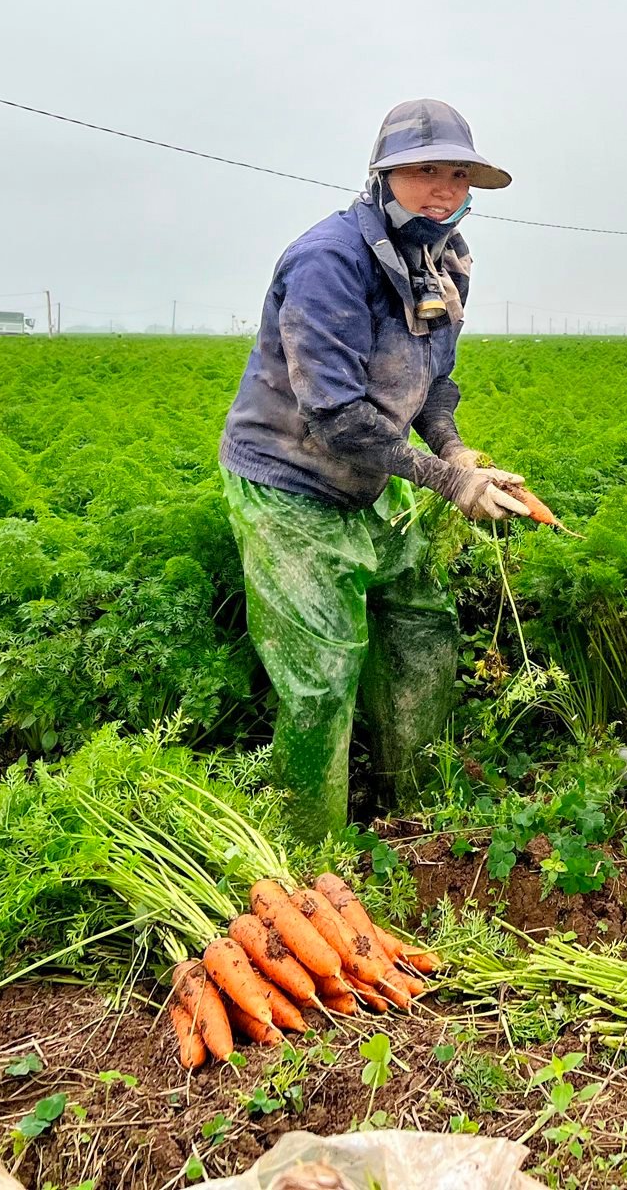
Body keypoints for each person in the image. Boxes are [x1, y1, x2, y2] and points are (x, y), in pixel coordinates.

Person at [218, 99, 528, 842]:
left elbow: (434, 383)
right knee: (321, 674)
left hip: (369, 478)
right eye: (426, 172)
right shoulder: (330, 260)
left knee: (422, 625)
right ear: (384, 174)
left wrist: (453, 449)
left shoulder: (442, 262)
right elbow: (335, 415)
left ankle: (412, 818)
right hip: (290, 483)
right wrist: (451, 483)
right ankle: (308, 857)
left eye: (459, 174)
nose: (445, 190)